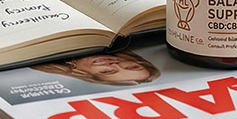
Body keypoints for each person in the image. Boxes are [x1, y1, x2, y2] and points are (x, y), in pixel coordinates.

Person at [32, 51, 162, 87]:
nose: (115, 65)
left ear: (85, 74)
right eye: (132, 67)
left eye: (107, 71)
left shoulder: (40, 61)